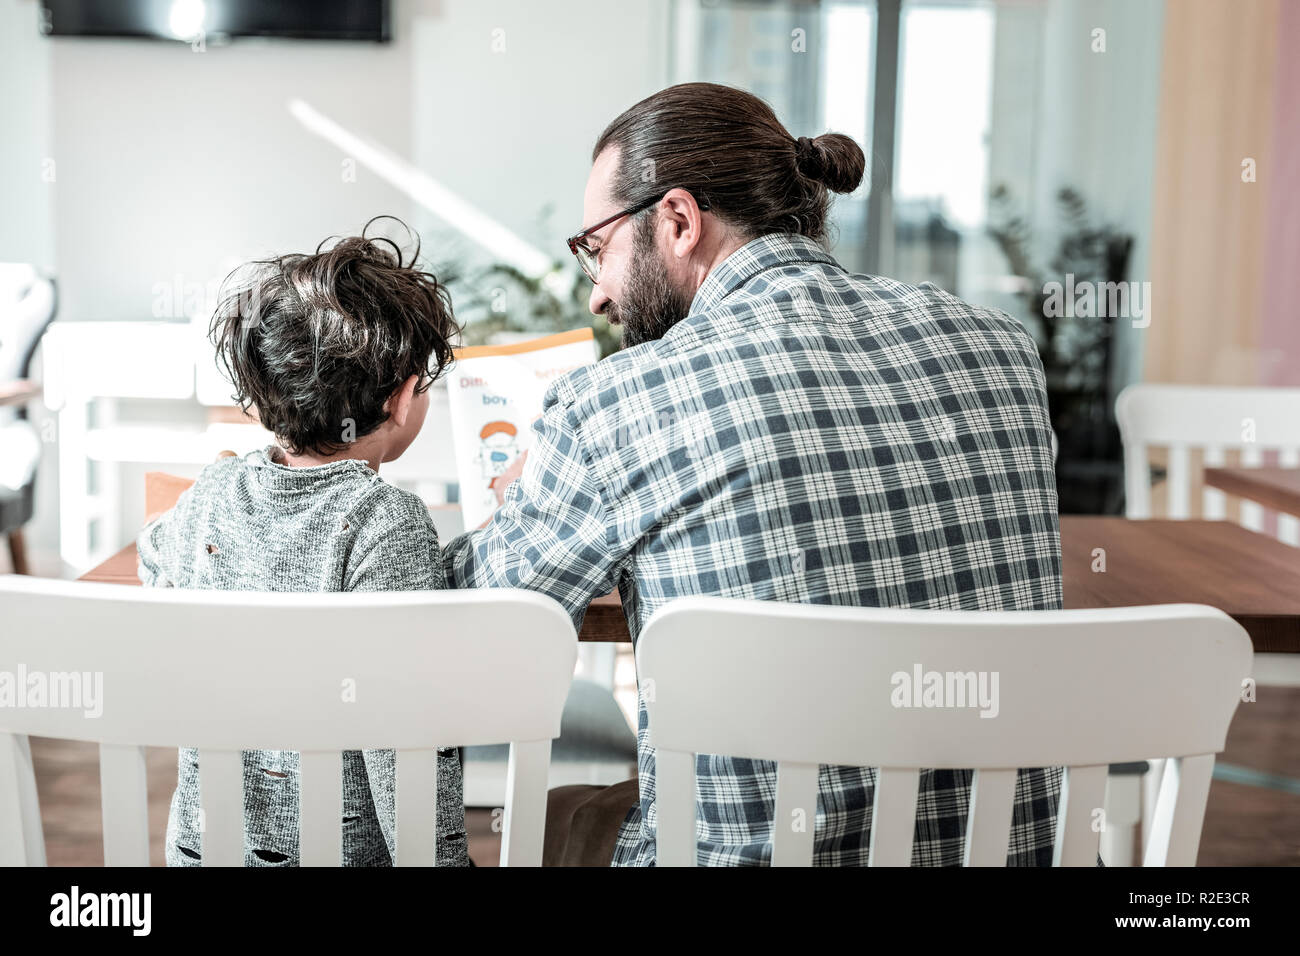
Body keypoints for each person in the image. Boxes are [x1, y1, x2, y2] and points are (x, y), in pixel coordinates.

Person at [443, 83, 1064, 866]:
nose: (597, 290)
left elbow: (467, 630)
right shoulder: (1001, 349)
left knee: (558, 811)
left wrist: (520, 499)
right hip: (1005, 852)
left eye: (596, 249)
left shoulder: (623, 402)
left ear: (677, 220)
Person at [138, 220, 470, 867]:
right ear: (404, 399)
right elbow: (401, 744)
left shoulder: (212, 494)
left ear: (262, 404)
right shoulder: (386, 523)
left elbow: (157, 557)